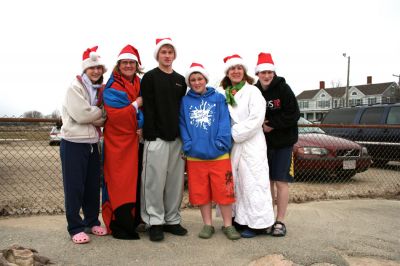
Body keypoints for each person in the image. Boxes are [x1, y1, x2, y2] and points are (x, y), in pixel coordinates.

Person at [179, 63, 241, 240]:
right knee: (201, 192)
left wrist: (222, 143)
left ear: (205, 79)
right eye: (193, 80)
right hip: (195, 156)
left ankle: (228, 225)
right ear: (189, 83)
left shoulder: (218, 98)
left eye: (200, 79)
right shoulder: (185, 101)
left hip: (219, 155)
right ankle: (207, 224)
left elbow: (224, 121)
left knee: (224, 190)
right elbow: (182, 125)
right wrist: (189, 145)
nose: (197, 82)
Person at [217, 54, 275, 238]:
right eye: (232, 69)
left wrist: (232, 134)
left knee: (254, 183)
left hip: (251, 144)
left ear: (244, 71)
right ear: (228, 72)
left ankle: (258, 224)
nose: (235, 71)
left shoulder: (253, 91)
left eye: (239, 68)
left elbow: (256, 119)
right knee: (238, 182)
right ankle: (240, 220)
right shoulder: (224, 93)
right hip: (234, 147)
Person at [141, 37, 188, 241]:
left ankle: (172, 220)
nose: (167, 55)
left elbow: (180, 109)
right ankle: (154, 221)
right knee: (154, 181)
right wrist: (149, 132)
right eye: (163, 52)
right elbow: (148, 107)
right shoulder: (150, 77)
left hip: (176, 138)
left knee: (174, 182)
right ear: (157, 55)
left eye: (170, 52)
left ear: (174, 55)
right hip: (156, 137)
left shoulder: (180, 80)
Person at [60, 46, 108, 244]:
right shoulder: (75, 87)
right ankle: (75, 227)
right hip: (73, 143)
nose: (96, 71)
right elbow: (81, 115)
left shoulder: (99, 90)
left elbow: (102, 118)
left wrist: (95, 114)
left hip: (92, 143)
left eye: (99, 68)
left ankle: (91, 220)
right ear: (85, 69)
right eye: (92, 68)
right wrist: (99, 113)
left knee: (91, 185)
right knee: (74, 186)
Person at [254, 52, 300, 237]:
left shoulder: (284, 89)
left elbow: (293, 114)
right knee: (266, 183)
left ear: (273, 72)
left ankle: (280, 221)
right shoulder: (255, 91)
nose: (266, 76)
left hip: (283, 144)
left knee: (281, 182)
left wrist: (272, 125)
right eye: (262, 72)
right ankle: (267, 219)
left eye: (269, 72)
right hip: (262, 145)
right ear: (257, 74)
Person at [101, 44, 144, 240]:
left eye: (131, 62)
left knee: (134, 181)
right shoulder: (112, 86)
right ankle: (119, 225)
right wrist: (136, 104)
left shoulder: (139, 82)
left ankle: (134, 220)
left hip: (135, 140)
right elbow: (117, 116)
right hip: (118, 141)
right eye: (124, 62)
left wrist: (142, 123)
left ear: (136, 65)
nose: (128, 65)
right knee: (119, 181)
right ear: (119, 65)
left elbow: (145, 112)